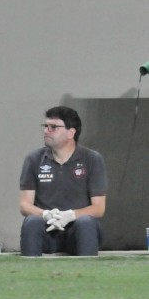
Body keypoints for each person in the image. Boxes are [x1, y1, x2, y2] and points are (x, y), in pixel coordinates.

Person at [18, 106, 107, 257]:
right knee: (32, 222)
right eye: (45, 126)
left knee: (86, 223)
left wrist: (71, 215)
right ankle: (29, 275)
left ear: (71, 133)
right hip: (48, 229)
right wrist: (45, 214)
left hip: (77, 231)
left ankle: (89, 275)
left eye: (53, 127)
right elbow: (25, 205)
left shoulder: (92, 159)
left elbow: (99, 208)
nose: (46, 130)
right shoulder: (33, 159)